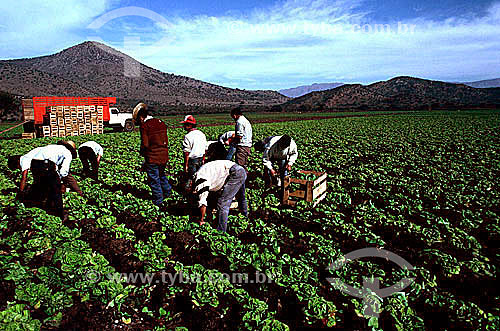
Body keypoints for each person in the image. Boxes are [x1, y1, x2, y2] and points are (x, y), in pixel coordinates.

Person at [7, 141, 79, 219]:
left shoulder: (52, 147)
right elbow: (64, 171)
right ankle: (59, 214)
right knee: (55, 189)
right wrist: (20, 192)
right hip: (46, 164)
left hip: (37, 164)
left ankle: (33, 205)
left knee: (40, 185)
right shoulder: (67, 153)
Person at [189, 160, 248, 233]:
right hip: (239, 169)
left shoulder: (201, 182)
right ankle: (245, 219)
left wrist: (201, 220)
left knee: (223, 203)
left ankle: (221, 232)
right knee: (241, 197)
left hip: (235, 173)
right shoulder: (199, 173)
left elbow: (202, 203)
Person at [133, 103, 172, 206]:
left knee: (154, 179)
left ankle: (158, 200)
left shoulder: (145, 126)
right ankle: (168, 193)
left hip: (153, 156)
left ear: (141, 117)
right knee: (162, 175)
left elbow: (145, 144)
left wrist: (142, 153)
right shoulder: (161, 122)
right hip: (164, 155)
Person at [180, 115, 207, 190]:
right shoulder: (201, 134)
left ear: (189, 125)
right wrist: (203, 159)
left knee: (191, 178)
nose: (184, 127)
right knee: (200, 178)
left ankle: (190, 195)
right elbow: (205, 149)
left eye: (185, 125)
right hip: (201, 159)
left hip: (192, 160)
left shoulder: (188, 136)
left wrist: (185, 165)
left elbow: (186, 153)